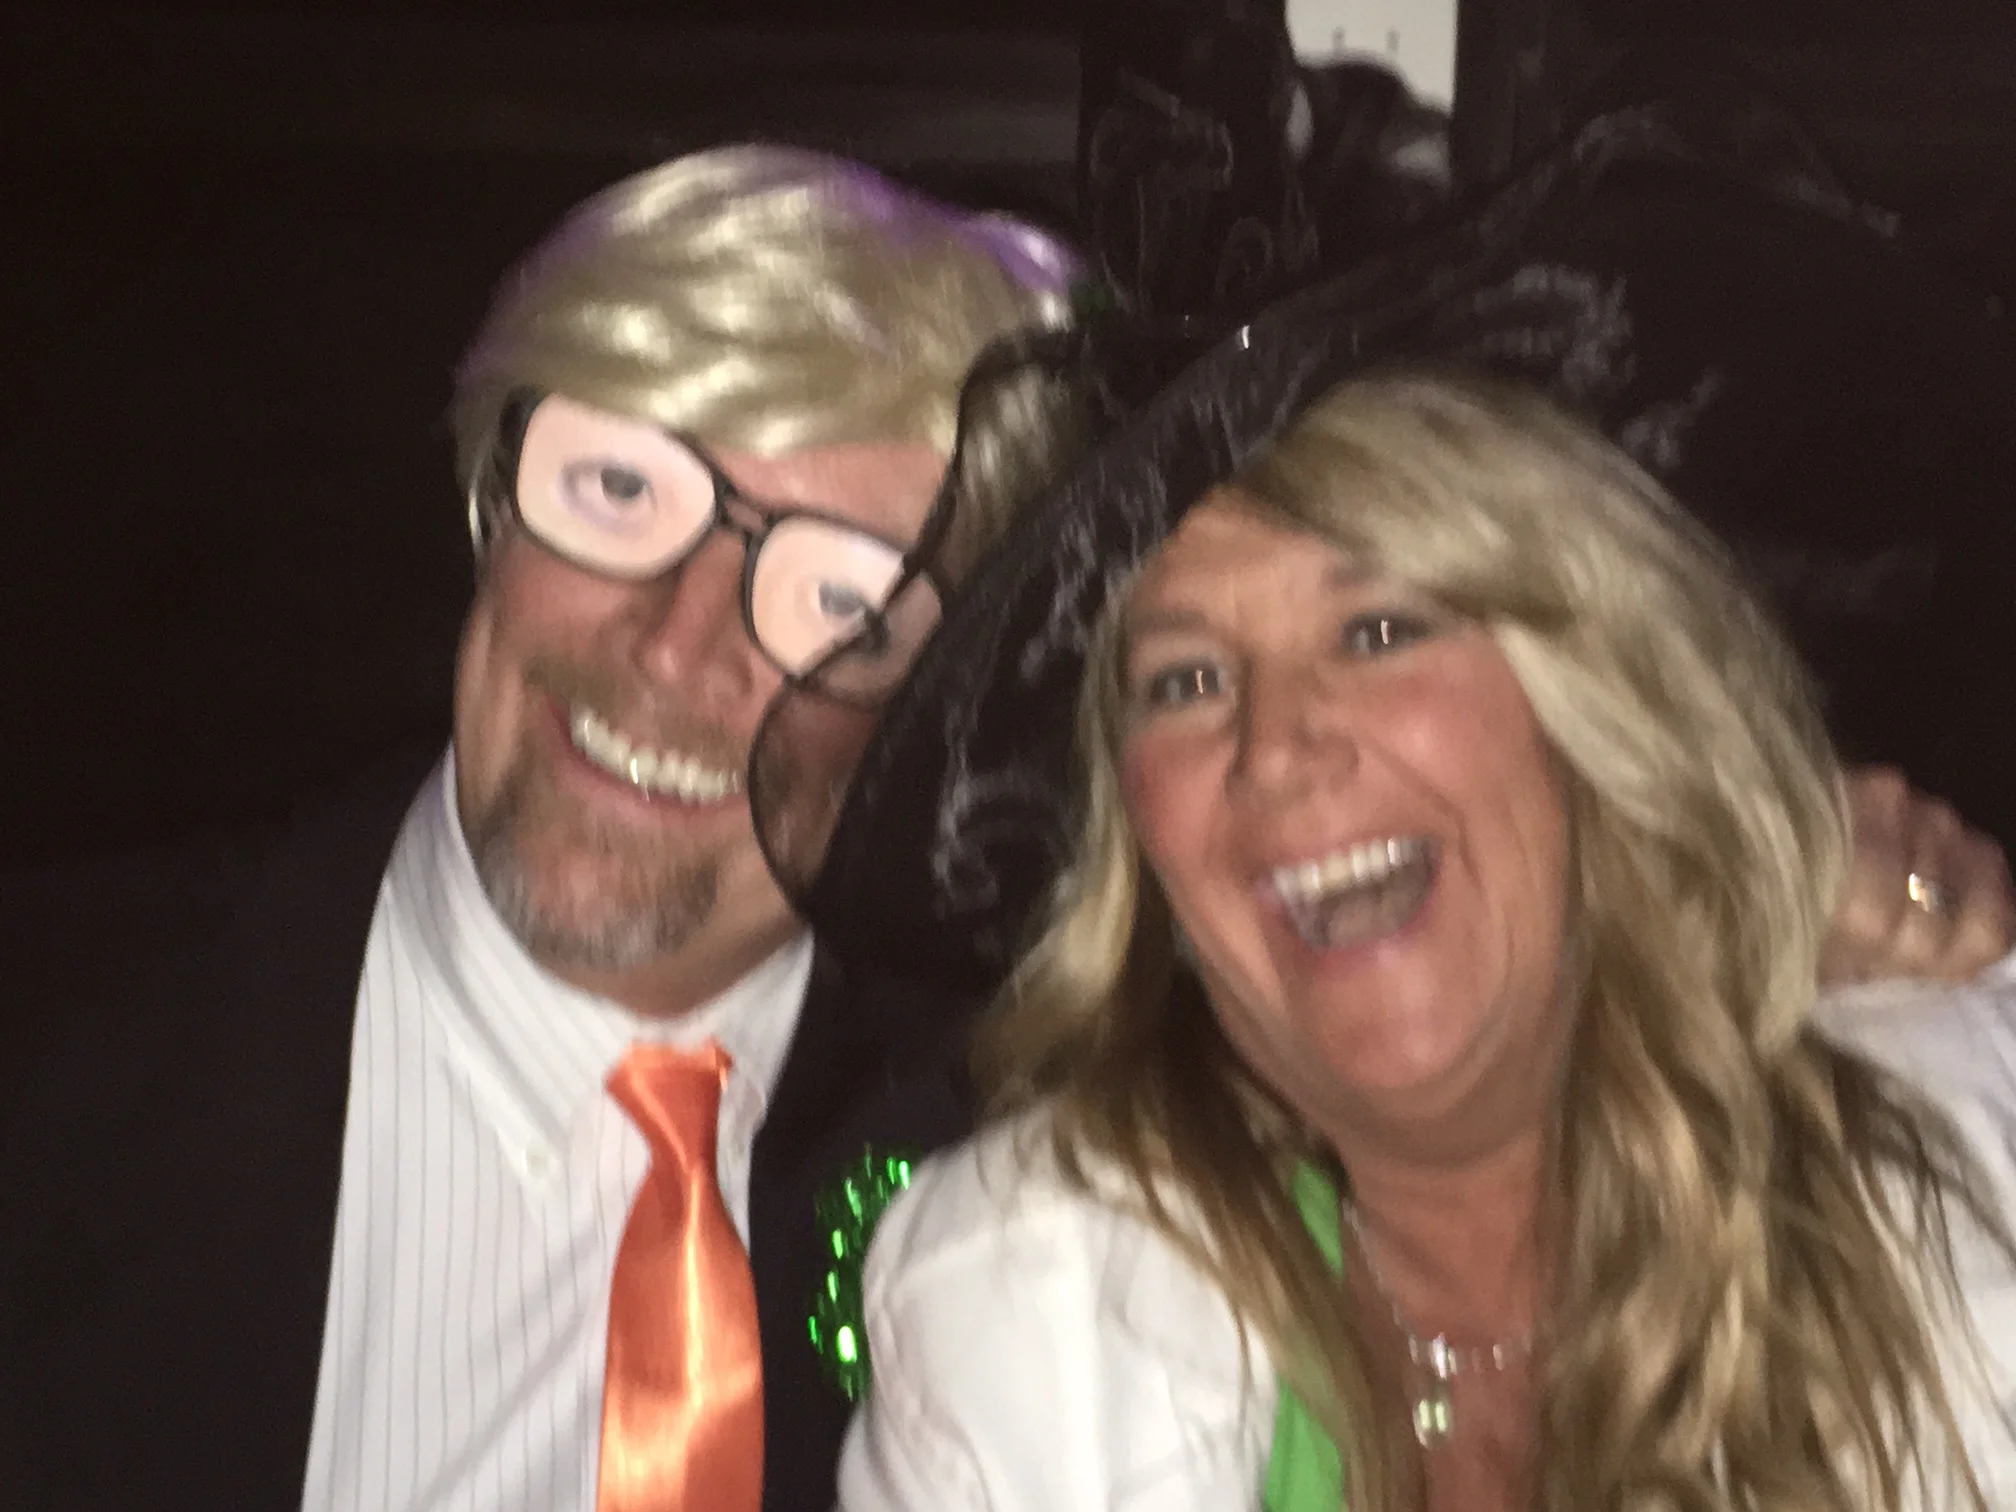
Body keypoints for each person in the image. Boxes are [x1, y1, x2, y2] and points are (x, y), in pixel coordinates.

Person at [0, 144, 1078, 1512]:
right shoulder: (56, 1051)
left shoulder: (1042, 1168)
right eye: (619, 491)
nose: (676, 649)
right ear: (492, 503)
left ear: (945, 710)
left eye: (838, 604)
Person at [837, 370, 2016, 1512]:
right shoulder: (1017, 1301)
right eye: (1188, 680)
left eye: (1379, 630)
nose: (1276, 747)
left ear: (1600, 707)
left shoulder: (1972, 1163)